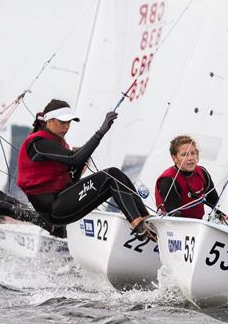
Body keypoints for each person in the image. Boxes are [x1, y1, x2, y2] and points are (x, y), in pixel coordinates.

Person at [16, 99, 155, 240]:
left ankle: (149, 223)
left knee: (118, 175)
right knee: (111, 175)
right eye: (62, 122)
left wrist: (78, 167)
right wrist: (100, 132)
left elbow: (72, 179)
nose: (66, 127)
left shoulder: (62, 145)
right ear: (49, 120)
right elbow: (75, 159)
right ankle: (139, 227)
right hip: (53, 209)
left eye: (69, 123)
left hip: (61, 205)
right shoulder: (37, 143)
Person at [154, 135, 220, 219]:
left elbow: (214, 200)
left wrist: (222, 214)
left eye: (193, 153)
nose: (190, 158)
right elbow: (172, 216)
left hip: (198, 224)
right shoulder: (169, 179)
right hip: (175, 226)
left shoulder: (202, 172)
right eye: (184, 155)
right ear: (174, 158)